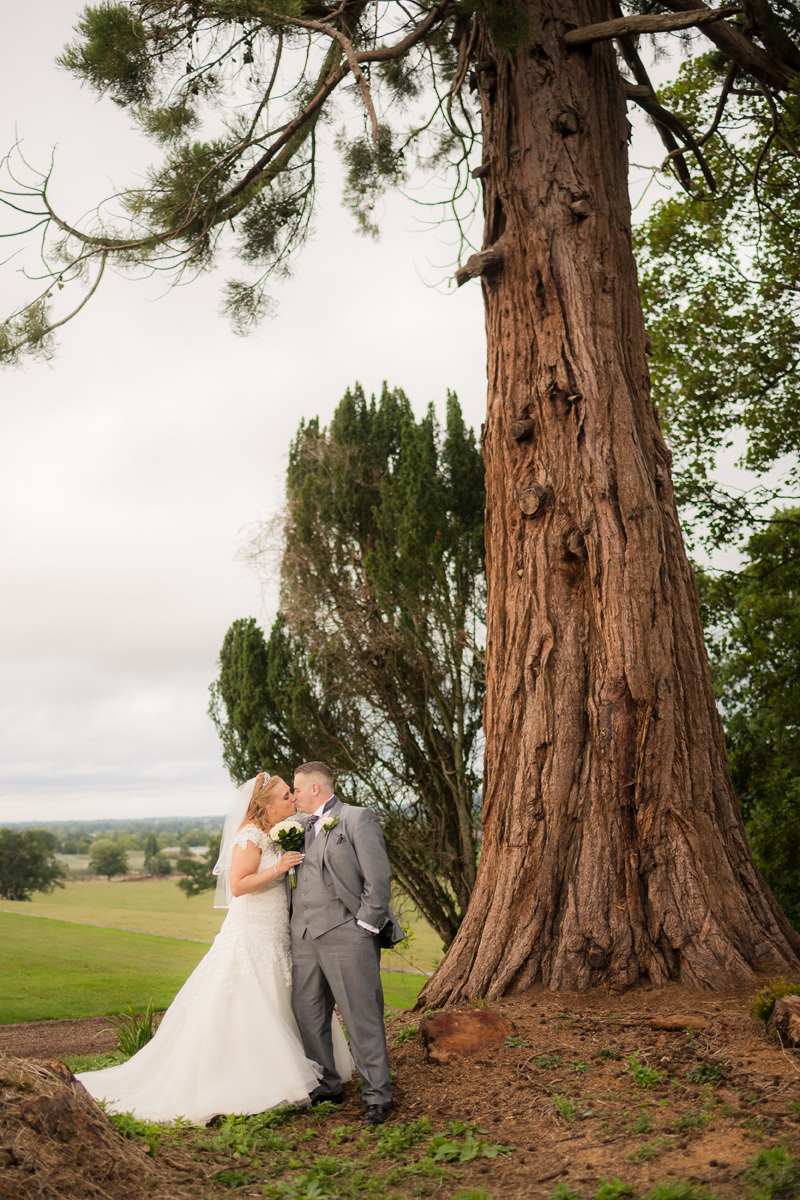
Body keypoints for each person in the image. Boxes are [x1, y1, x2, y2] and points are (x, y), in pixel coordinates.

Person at [76, 774, 352, 1124]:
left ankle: (300, 1070)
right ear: (267, 806)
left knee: (282, 994)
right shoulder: (249, 835)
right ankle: (250, 1078)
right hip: (251, 930)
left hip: (277, 928)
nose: (292, 801)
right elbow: (237, 885)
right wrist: (278, 869)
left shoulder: (279, 828)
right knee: (250, 996)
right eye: (286, 797)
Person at [289, 760, 404, 1127]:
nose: (293, 795)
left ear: (315, 789)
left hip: (347, 934)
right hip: (303, 936)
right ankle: (328, 1085)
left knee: (361, 1016)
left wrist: (366, 926)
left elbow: (378, 877)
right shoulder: (295, 827)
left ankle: (377, 1096)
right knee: (308, 1013)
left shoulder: (357, 818)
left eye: (296, 788)